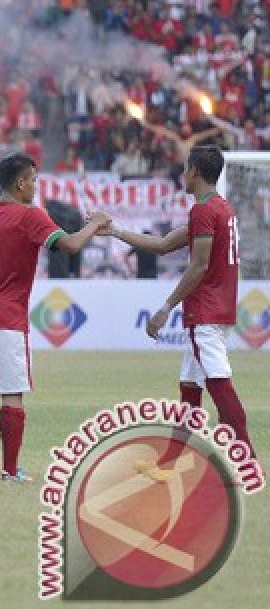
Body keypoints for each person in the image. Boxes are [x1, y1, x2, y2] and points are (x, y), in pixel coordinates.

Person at [0, 153, 109, 483]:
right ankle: (9, 471)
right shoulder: (31, 216)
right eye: (33, 180)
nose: (36, 185)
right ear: (20, 183)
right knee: (12, 394)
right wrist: (94, 224)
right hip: (5, 317)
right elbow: (72, 246)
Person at [103, 146, 255, 456]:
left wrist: (165, 308)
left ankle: (246, 461)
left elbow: (198, 266)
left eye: (186, 169)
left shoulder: (203, 211)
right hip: (219, 309)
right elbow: (161, 245)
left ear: (196, 172)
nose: (182, 174)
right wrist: (115, 230)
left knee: (220, 386)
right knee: (190, 386)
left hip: (205, 312)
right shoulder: (220, 209)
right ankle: (174, 460)